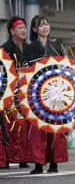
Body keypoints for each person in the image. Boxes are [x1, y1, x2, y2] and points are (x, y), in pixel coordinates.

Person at [24, 15, 70, 174]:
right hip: (38, 94)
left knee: (55, 128)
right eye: (41, 25)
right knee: (38, 129)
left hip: (56, 93)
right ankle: (38, 163)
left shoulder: (57, 45)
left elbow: (67, 66)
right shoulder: (29, 48)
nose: (45, 27)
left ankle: (54, 163)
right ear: (35, 29)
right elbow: (24, 72)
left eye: (46, 24)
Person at [0, 16, 30, 169]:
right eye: (20, 28)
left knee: (23, 125)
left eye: (24, 27)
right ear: (12, 31)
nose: (23, 30)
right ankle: (6, 158)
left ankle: (22, 157)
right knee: (9, 125)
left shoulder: (27, 48)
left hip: (23, 93)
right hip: (9, 93)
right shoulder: (5, 49)